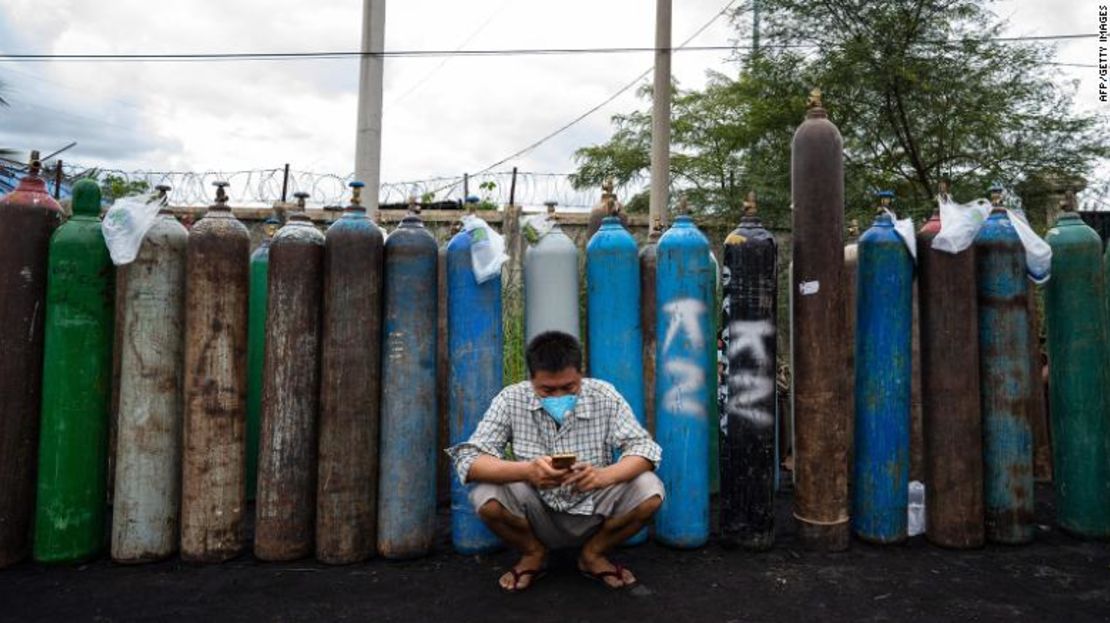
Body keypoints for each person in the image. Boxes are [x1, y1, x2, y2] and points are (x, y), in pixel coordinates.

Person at [446, 331, 664, 592]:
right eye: (547, 390)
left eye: (569, 387)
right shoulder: (510, 399)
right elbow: (468, 460)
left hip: (594, 505)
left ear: (581, 375)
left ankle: (593, 554)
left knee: (650, 489)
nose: (559, 397)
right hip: (536, 510)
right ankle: (533, 552)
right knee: (485, 494)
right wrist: (527, 470)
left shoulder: (604, 395)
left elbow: (645, 448)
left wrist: (605, 476)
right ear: (531, 380)